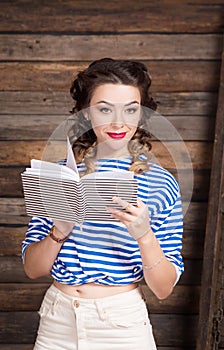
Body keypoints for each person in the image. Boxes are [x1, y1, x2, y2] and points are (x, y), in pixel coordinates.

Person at [22, 58, 184, 350]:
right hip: (56, 322)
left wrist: (144, 235)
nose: (119, 122)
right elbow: (33, 269)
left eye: (131, 109)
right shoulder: (61, 176)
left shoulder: (161, 184)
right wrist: (59, 230)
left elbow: (163, 288)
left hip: (121, 326)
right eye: (105, 109)